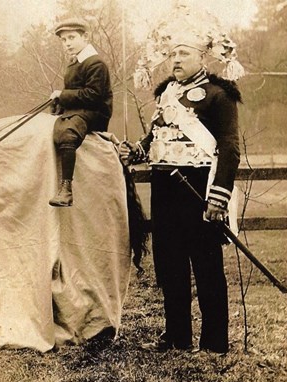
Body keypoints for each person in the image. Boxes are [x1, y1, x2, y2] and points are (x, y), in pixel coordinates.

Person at [122, 7, 244, 354]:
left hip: (198, 190)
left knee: (206, 267)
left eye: (184, 53)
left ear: (202, 57)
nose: (176, 59)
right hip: (165, 190)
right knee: (170, 265)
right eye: (173, 53)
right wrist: (136, 151)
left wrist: (218, 197)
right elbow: (156, 138)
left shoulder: (218, 95)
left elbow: (229, 148)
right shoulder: (166, 95)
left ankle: (214, 342)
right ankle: (177, 337)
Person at [48, 18, 113, 207]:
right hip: (79, 110)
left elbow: (93, 95)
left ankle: (66, 189)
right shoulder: (74, 63)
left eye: (71, 38)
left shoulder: (95, 63)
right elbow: (75, 93)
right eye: (63, 40)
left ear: (85, 37)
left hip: (95, 112)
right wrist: (59, 103)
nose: (67, 43)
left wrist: (62, 95)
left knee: (67, 133)